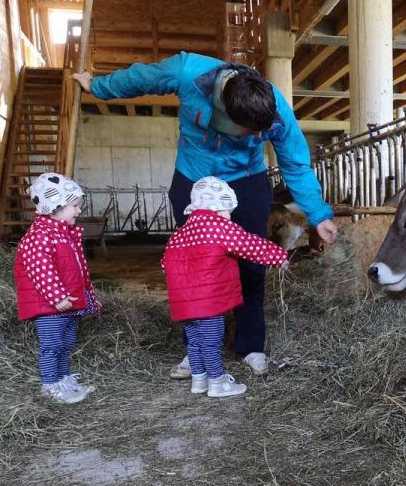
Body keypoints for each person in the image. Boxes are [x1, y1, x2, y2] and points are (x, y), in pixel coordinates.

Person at [72, 52, 337, 377]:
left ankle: (251, 345)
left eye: (261, 133)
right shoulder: (187, 73)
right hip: (193, 178)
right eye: (248, 131)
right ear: (224, 111)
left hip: (246, 179)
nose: (257, 138)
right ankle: (196, 348)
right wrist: (97, 86)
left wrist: (318, 213)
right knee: (194, 266)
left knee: (251, 264)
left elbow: (295, 162)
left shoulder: (275, 110)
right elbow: (141, 78)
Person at [161, 176, 288, 399]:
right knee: (211, 343)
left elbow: (165, 265)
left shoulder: (179, 235)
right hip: (209, 303)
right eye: (229, 210)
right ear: (219, 207)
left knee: (194, 343)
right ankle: (217, 383)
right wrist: (278, 256)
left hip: (184, 304)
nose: (230, 216)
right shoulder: (220, 228)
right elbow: (251, 245)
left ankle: (199, 380)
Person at [14, 173, 100, 404]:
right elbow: (40, 270)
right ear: (55, 207)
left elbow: (80, 271)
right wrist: (58, 297)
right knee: (52, 347)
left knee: (66, 344)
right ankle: (50, 385)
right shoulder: (39, 237)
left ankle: (63, 379)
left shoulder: (65, 235)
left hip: (69, 304)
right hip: (50, 307)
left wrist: (89, 297)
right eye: (74, 206)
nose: (78, 211)